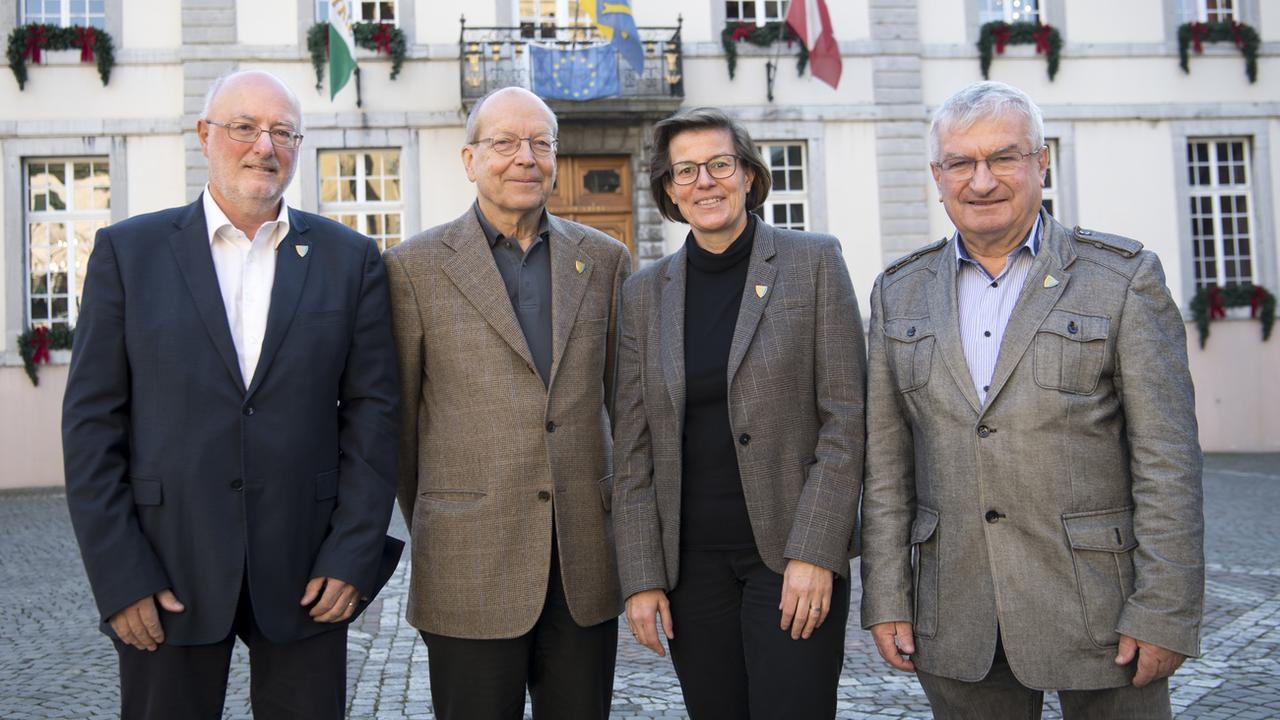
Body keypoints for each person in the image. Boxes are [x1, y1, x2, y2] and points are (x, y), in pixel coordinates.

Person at [61, 70, 402, 719]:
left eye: (281, 132)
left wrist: (355, 553)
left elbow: (374, 418)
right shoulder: (127, 254)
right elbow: (91, 427)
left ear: (298, 146)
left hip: (309, 570)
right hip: (166, 567)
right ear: (205, 136)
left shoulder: (349, 259)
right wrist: (120, 574)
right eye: (244, 127)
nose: (263, 147)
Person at [859, 80, 1204, 719]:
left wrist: (1166, 608)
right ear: (937, 176)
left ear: (1041, 162)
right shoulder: (897, 294)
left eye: (1003, 157)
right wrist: (885, 596)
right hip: (957, 609)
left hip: (1103, 608)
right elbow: (886, 469)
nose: (981, 180)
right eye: (960, 162)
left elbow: (1168, 461)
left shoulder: (1122, 279)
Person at [384, 86, 630, 720]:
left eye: (540, 143)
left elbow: (624, 408)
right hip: (467, 560)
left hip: (583, 562)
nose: (525, 158)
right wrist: (447, 513)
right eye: (504, 143)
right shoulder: (412, 268)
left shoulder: (604, 261)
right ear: (469, 160)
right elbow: (402, 427)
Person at [612, 107, 866, 719]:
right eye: (687, 170)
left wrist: (817, 551)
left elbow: (847, 419)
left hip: (790, 559)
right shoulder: (645, 294)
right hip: (692, 569)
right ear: (669, 190)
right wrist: (642, 577)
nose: (705, 181)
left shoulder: (814, 263)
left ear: (749, 175)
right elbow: (633, 447)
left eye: (720, 164)